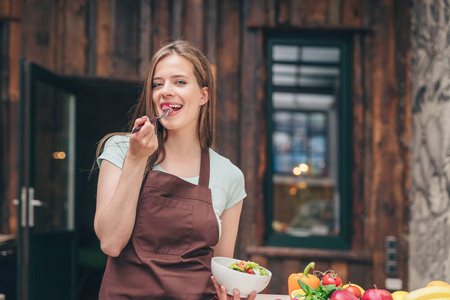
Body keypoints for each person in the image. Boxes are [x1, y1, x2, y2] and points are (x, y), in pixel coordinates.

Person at [94, 40, 257, 300]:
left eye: (179, 82)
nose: (165, 91)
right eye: (158, 84)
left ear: (203, 95)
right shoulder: (122, 150)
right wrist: (136, 160)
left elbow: (222, 272)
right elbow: (111, 243)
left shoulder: (229, 175)